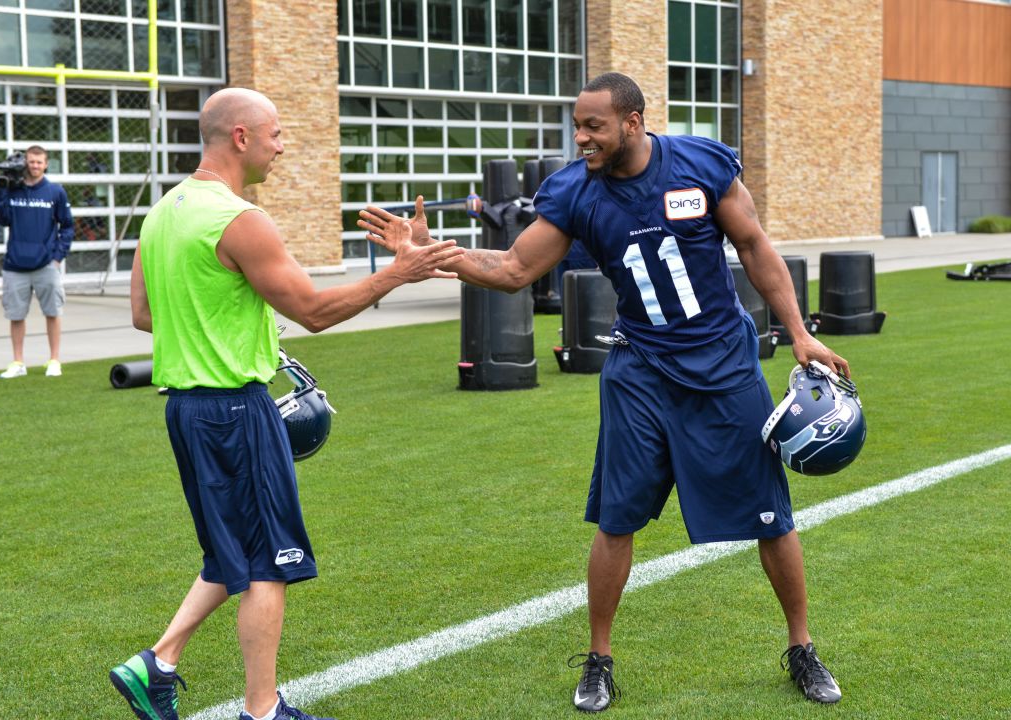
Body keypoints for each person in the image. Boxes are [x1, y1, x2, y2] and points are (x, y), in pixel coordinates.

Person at [360, 72, 849, 712]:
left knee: (770, 514)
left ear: (633, 122)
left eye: (594, 125)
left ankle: (802, 647)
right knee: (616, 518)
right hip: (640, 368)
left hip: (724, 364)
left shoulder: (700, 162)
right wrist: (432, 254)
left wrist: (799, 333)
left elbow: (755, 245)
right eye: (577, 125)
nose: (581, 137)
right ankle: (599, 660)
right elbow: (513, 270)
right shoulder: (573, 191)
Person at [110, 87, 463, 720]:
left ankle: (157, 662)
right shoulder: (240, 218)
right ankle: (263, 711)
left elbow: (143, 314)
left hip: (187, 413)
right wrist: (398, 273)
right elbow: (314, 311)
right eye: (274, 133)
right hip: (235, 411)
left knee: (231, 550)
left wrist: (220, 321)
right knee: (269, 561)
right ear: (240, 137)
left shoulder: (164, 211)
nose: (282, 144)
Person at [0, 145, 74, 378]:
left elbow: (67, 226)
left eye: (39, 162)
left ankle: (54, 360)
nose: (35, 166)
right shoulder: (13, 189)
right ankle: (18, 362)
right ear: (25, 163)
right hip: (15, 265)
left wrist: (57, 257)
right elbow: (4, 219)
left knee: (53, 312)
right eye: (31, 161)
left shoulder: (56, 192)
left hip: (46, 265)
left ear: (46, 164)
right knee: (16, 316)